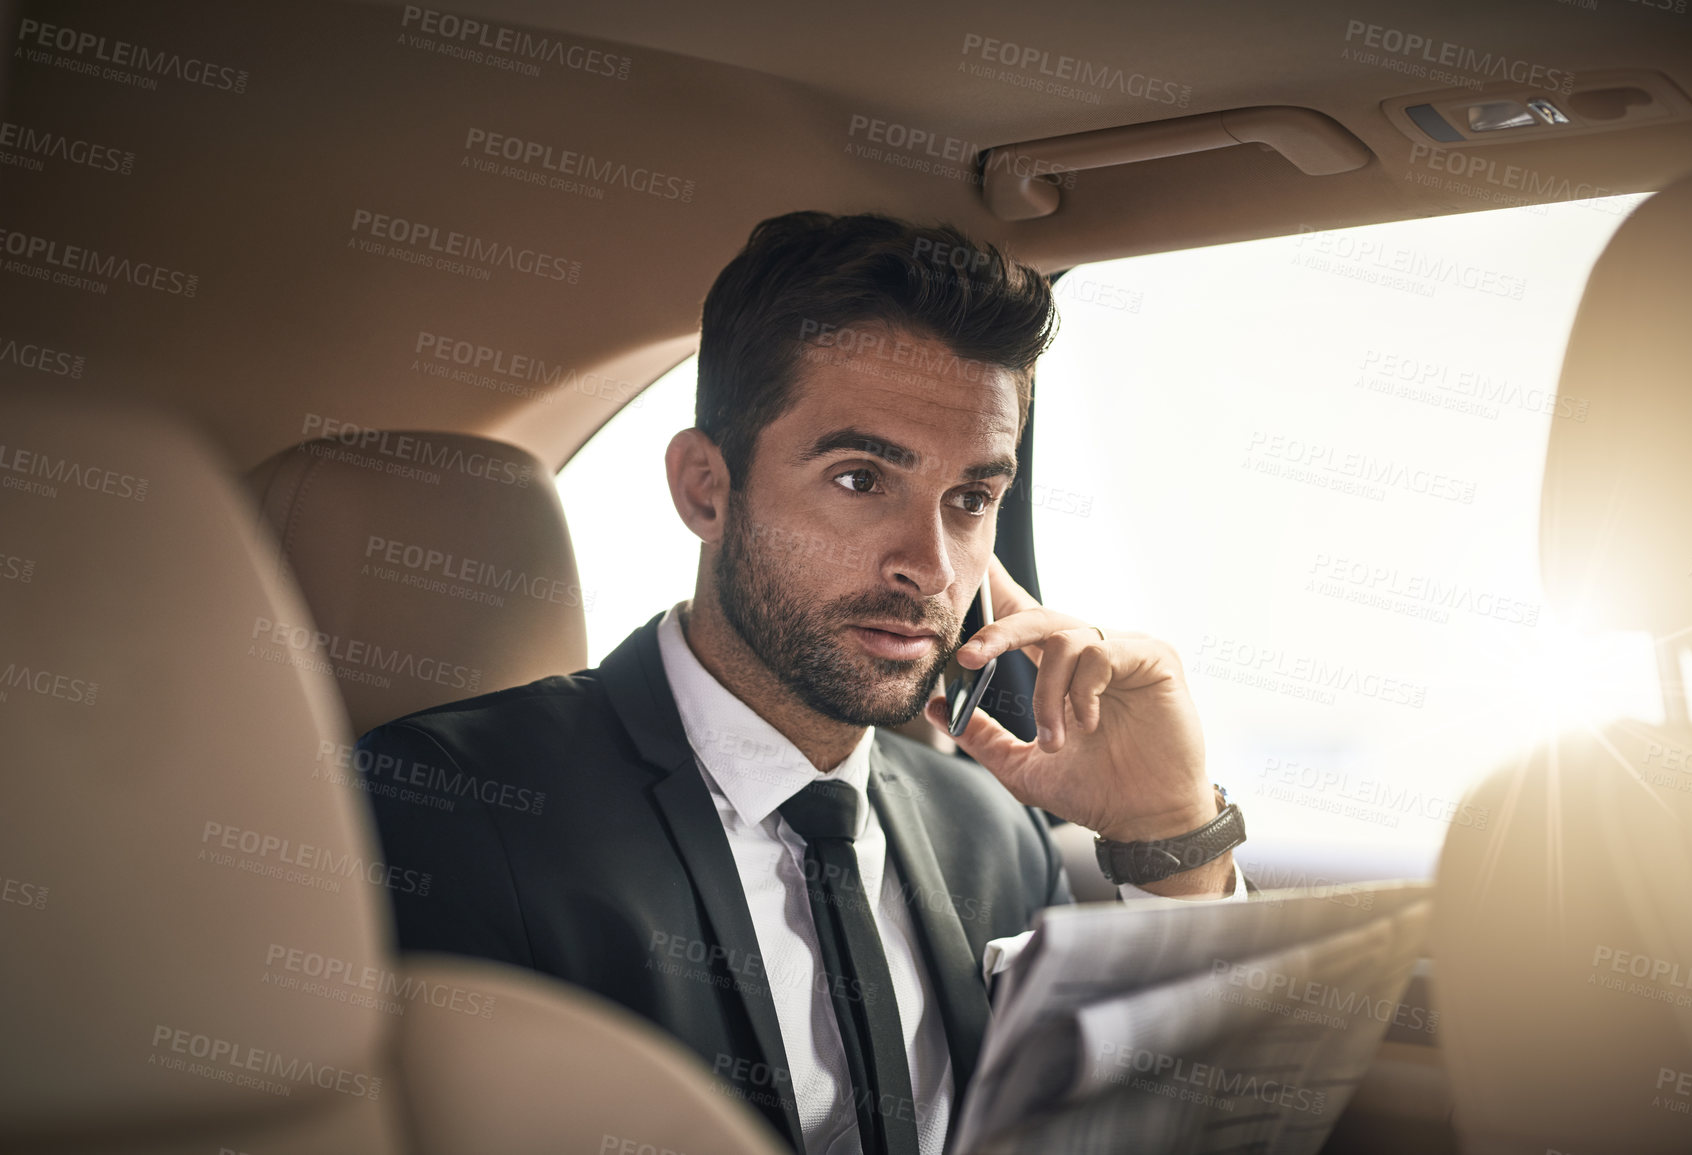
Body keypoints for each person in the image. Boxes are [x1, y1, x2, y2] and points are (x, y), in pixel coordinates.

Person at [355, 210, 1248, 1155]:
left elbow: (1140, 1136)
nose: (932, 567)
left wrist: (1169, 840)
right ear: (706, 488)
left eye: (972, 499)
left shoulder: (989, 829)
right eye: (862, 478)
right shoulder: (451, 806)